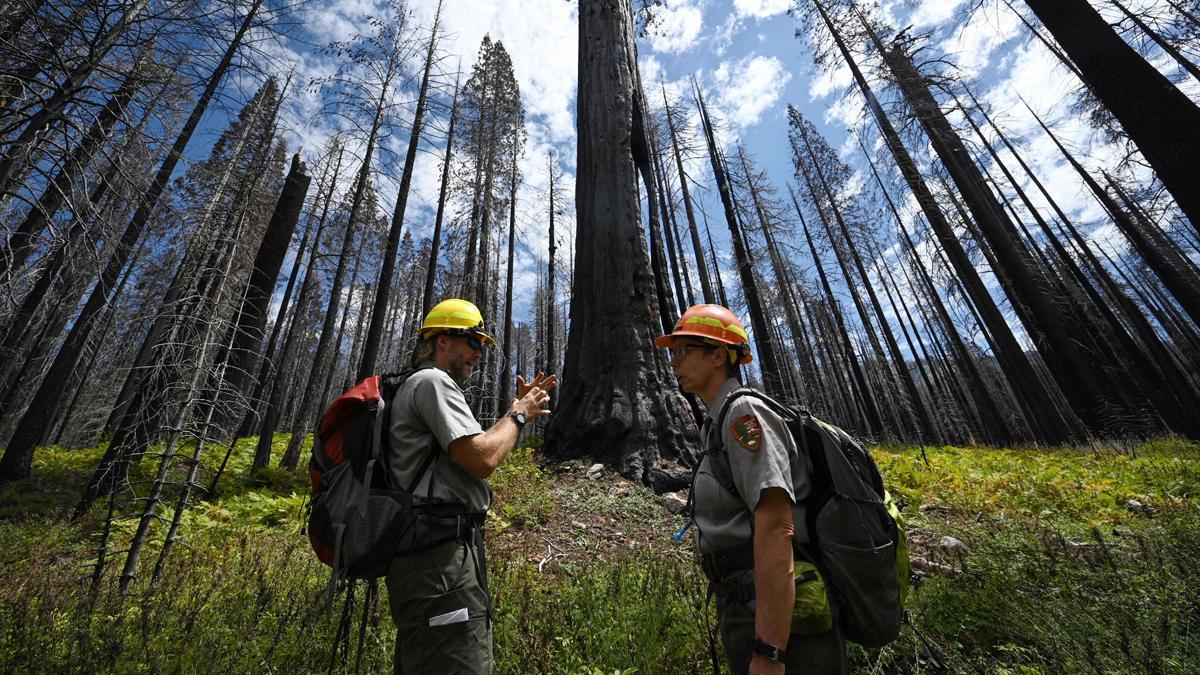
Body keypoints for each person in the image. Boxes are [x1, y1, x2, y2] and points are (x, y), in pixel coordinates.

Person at [655, 304, 848, 675]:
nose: (674, 362)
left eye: (684, 351)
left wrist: (770, 650)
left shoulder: (744, 413)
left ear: (717, 355)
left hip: (777, 614)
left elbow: (777, 527)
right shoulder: (716, 422)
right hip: (746, 602)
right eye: (672, 353)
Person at [385, 298, 555, 674]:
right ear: (442, 341)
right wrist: (520, 414)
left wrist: (515, 411)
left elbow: (476, 449)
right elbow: (483, 460)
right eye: (474, 342)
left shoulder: (420, 386)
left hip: (433, 554)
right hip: (437, 559)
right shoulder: (432, 381)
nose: (480, 354)